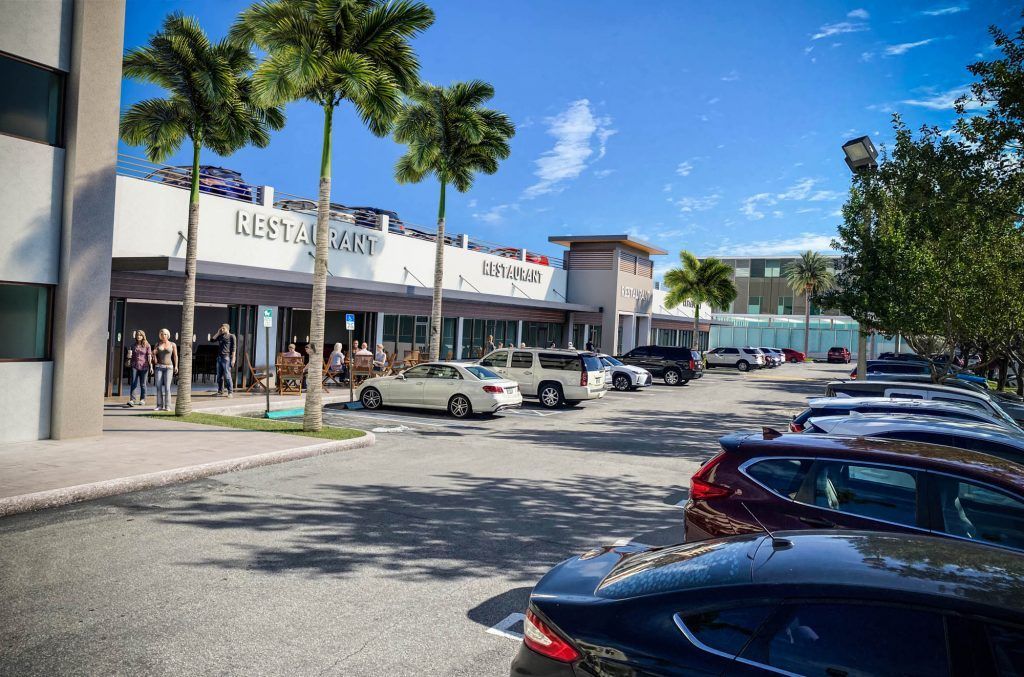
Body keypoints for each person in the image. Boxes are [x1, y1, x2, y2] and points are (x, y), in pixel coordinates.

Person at [126, 330, 153, 407]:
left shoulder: (147, 345)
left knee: (143, 384)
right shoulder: (133, 345)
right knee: (133, 383)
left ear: (143, 336)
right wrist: (129, 355)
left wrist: (151, 366)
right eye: (137, 335)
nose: (138, 336)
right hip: (134, 366)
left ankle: (142, 399)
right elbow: (130, 356)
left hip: (144, 367)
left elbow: (149, 356)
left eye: (140, 335)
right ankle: (132, 400)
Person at [153, 328, 178, 411]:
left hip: (169, 367)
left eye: (165, 334)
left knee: (167, 387)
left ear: (168, 335)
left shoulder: (172, 344)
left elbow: (175, 356)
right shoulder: (157, 344)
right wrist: (156, 349)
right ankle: (159, 405)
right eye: (162, 334)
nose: (163, 336)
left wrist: (176, 366)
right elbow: (153, 353)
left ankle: (167, 406)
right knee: (158, 387)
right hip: (159, 367)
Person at [214, 323, 235, 398]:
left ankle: (230, 392)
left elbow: (233, 348)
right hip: (219, 358)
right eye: (221, 328)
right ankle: (220, 391)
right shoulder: (220, 336)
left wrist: (233, 359)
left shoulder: (231, 336)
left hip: (226, 358)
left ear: (227, 329)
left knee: (227, 375)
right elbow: (212, 340)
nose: (222, 330)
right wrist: (218, 332)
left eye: (223, 328)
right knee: (219, 376)